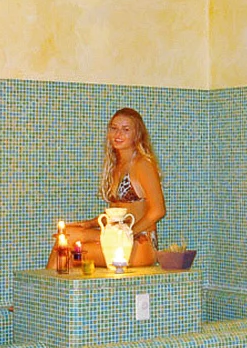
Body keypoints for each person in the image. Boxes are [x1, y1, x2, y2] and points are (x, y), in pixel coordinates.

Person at [49, 108, 166, 269]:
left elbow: (158, 210)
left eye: (126, 130)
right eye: (114, 128)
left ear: (137, 134)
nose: (118, 134)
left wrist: (128, 232)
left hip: (139, 243)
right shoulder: (116, 165)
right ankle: (52, 292)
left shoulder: (142, 164)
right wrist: (90, 224)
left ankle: (57, 291)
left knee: (67, 250)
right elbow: (117, 210)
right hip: (116, 236)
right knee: (66, 235)